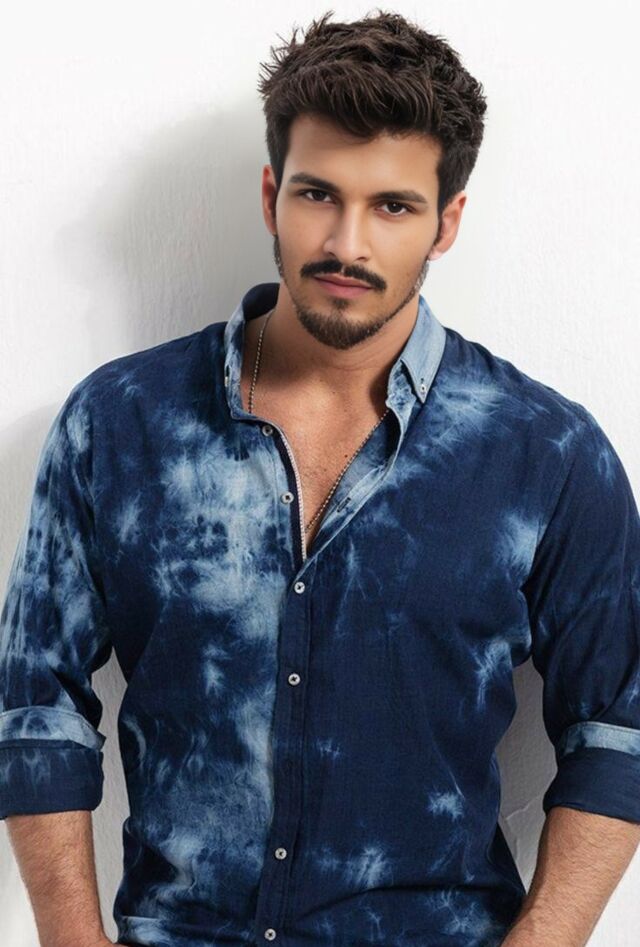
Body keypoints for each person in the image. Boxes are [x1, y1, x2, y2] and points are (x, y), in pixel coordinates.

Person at [1, 8, 639, 947]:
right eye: (317, 194)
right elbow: (36, 701)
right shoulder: (120, 423)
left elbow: (619, 730)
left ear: (447, 221)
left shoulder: (546, 451)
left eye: (393, 206)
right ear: (272, 196)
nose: (348, 243)